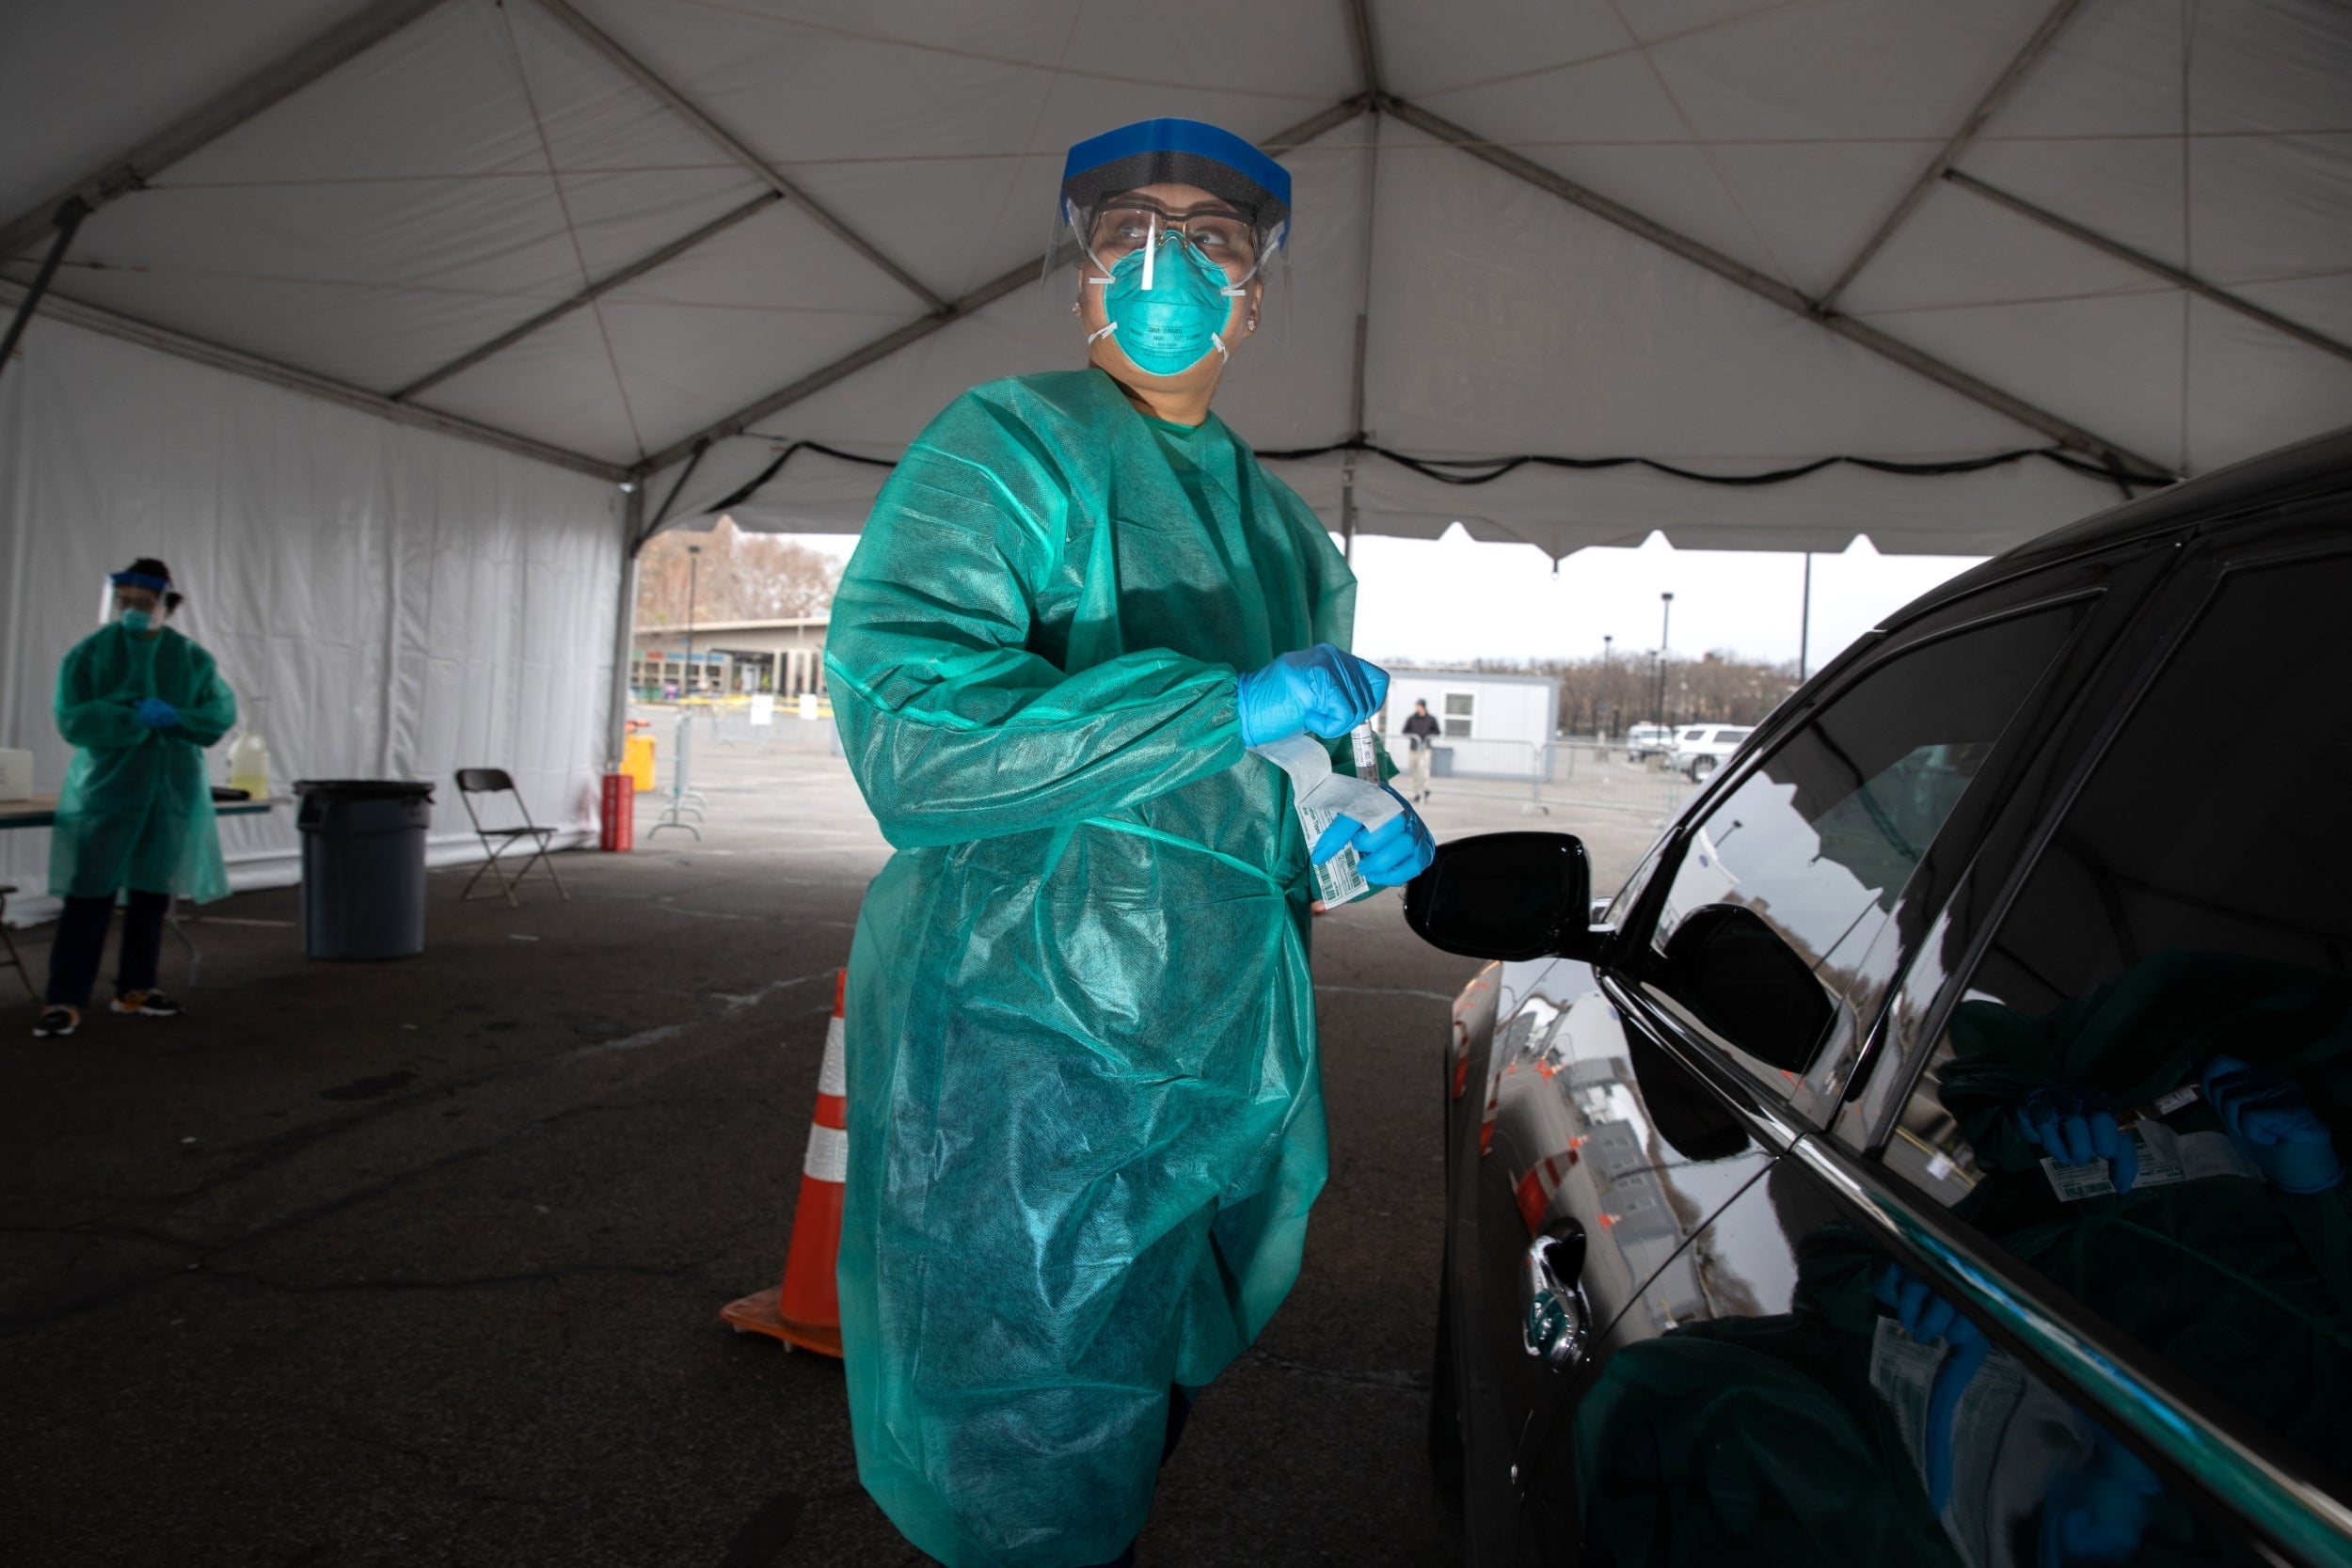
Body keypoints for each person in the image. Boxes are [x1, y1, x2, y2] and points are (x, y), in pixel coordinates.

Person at [822, 118, 1436, 1568]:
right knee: (1022, 1422)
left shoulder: (1288, 537)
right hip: (1018, 1039)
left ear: (1258, 285)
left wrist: (1344, 826)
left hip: (1222, 1035)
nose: (1165, 263)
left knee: (1145, 1382)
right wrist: (1210, 703)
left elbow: (1287, 781)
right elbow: (912, 725)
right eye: (1126, 234)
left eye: (1211, 239)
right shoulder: (1009, 447)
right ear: (1083, 272)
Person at [33, 560, 237, 1037]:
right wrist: (122, 713)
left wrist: (176, 717)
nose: (131, 610)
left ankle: (136, 988)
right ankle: (64, 997)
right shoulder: (89, 655)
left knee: (150, 894)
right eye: (123, 601)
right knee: (89, 896)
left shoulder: (191, 660)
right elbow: (71, 720)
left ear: (167, 605)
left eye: (142, 603)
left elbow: (216, 714)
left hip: (168, 791)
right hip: (109, 792)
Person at [1401, 698, 1440, 802]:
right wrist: (1414, 737)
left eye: (1419, 705)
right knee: (1414, 770)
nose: (1417, 707)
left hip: (1425, 748)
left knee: (1424, 770)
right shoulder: (1412, 718)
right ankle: (1416, 792)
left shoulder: (1431, 719)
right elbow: (1405, 731)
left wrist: (1426, 737)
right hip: (1414, 748)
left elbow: (1437, 731)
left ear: (1423, 706)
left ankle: (1424, 790)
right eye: (1416, 705)